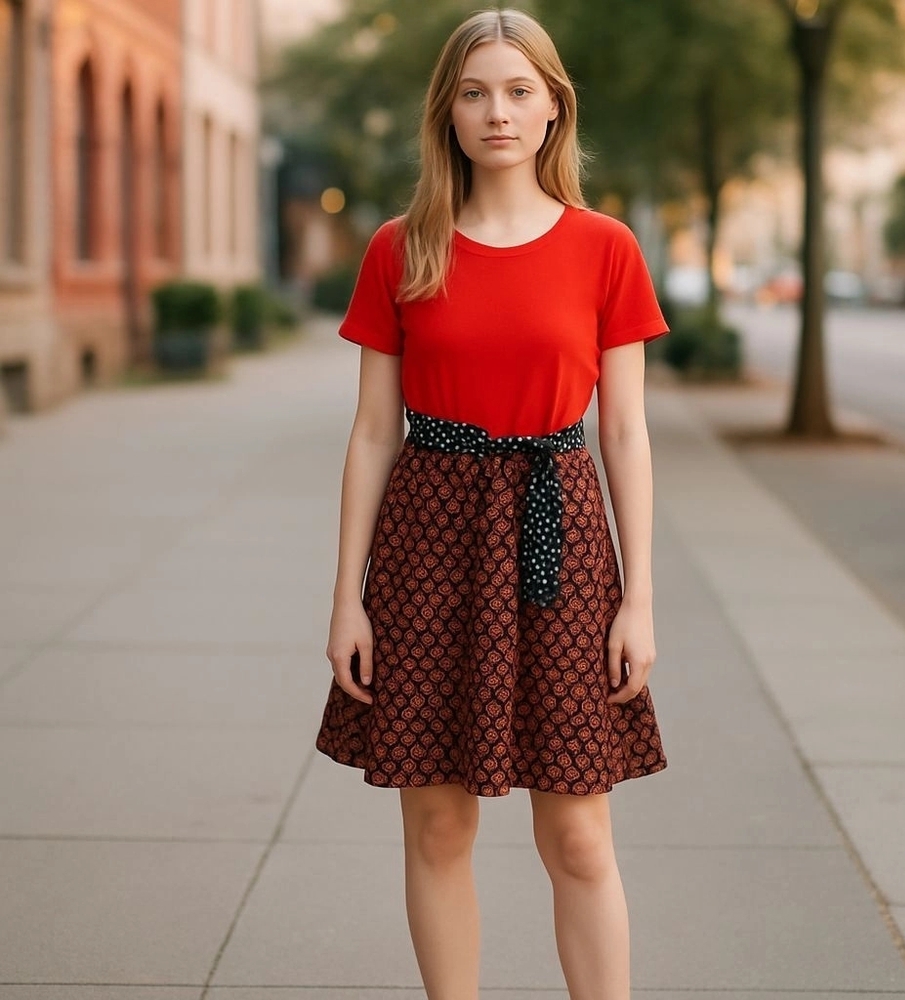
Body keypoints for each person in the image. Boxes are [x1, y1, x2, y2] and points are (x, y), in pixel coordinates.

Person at [317, 8, 668, 999]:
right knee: (437, 823)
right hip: (428, 535)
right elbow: (373, 432)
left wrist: (640, 598)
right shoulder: (402, 247)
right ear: (448, 111)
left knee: (579, 833)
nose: (497, 113)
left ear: (554, 109)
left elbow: (625, 432)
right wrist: (346, 597)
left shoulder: (605, 247)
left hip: (561, 533)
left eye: (519, 91)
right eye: (474, 93)